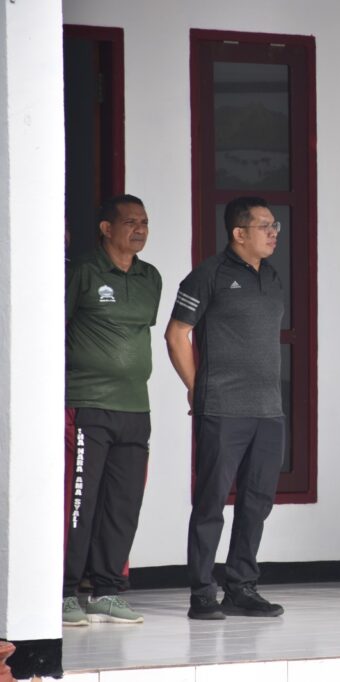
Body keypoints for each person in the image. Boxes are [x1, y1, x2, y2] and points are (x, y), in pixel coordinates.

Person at [165, 196, 286, 620]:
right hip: (222, 407)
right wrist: (196, 387)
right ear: (239, 233)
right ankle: (202, 593)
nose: (273, 232)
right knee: (211, 502)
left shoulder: (272, 276)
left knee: (257, 502)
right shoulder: (208, 275)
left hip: (269, 411)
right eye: (265, 226)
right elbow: (176, 335)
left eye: (275, 225)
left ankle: (241, 586)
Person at [63, 194, 161, 625]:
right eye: (130, 222)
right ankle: (63, 592)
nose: (139, 229)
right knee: (78, 503)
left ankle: (106, 590)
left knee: (123, 503)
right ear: (106, 228)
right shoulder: (83, 271)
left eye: (144, 222)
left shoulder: (150, 277)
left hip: (135, 406)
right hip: (88, 403)